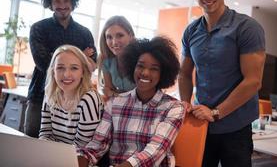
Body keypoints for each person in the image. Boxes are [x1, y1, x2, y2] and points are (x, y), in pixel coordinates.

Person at [178, 0, 266, 167]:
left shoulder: (247, 27)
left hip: (236, 126)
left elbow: (253, 81)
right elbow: (184, 74)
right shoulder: (191, 31)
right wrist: (185, 103)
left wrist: (216, 112)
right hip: (201, 124)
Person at [78, 37, 185, 167]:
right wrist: (80, 160)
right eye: (140, 66)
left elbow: (155, 151)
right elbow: (97, 144)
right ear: (132, 67)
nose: (145, 73)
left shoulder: (174, 108)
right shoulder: (115, 103)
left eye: (154, 69)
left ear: (163, 73)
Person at [25, 0, 97, 138]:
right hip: (40, 95)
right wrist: (81, 56)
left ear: (73, 2)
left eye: (66, 1)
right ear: (50, 3)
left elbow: (92, 66)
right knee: (31, 144)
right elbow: (43, 63)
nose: (62, 6)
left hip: (76, 100)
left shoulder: (84, 33)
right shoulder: (38, 28)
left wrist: (56, 56)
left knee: (68, 149)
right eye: (57, 1)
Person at [39, 45, 103, 148]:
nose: (66, 74)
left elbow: (82, 146)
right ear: (53, 71)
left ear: (83, 72)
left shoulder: (88, 99)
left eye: (74, 68)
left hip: (78, 159)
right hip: (53, 155)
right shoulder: (49, 94)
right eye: (60, 68)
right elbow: (45, 134)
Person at [98, 15, 135, 99]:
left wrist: (115, 94)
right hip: (121, 105)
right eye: (109, 37)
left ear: (131, 36)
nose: (114, 42)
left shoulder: (141, 59)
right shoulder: (106, 60)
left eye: (120, 35)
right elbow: (108, 89)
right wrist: (115, 94)